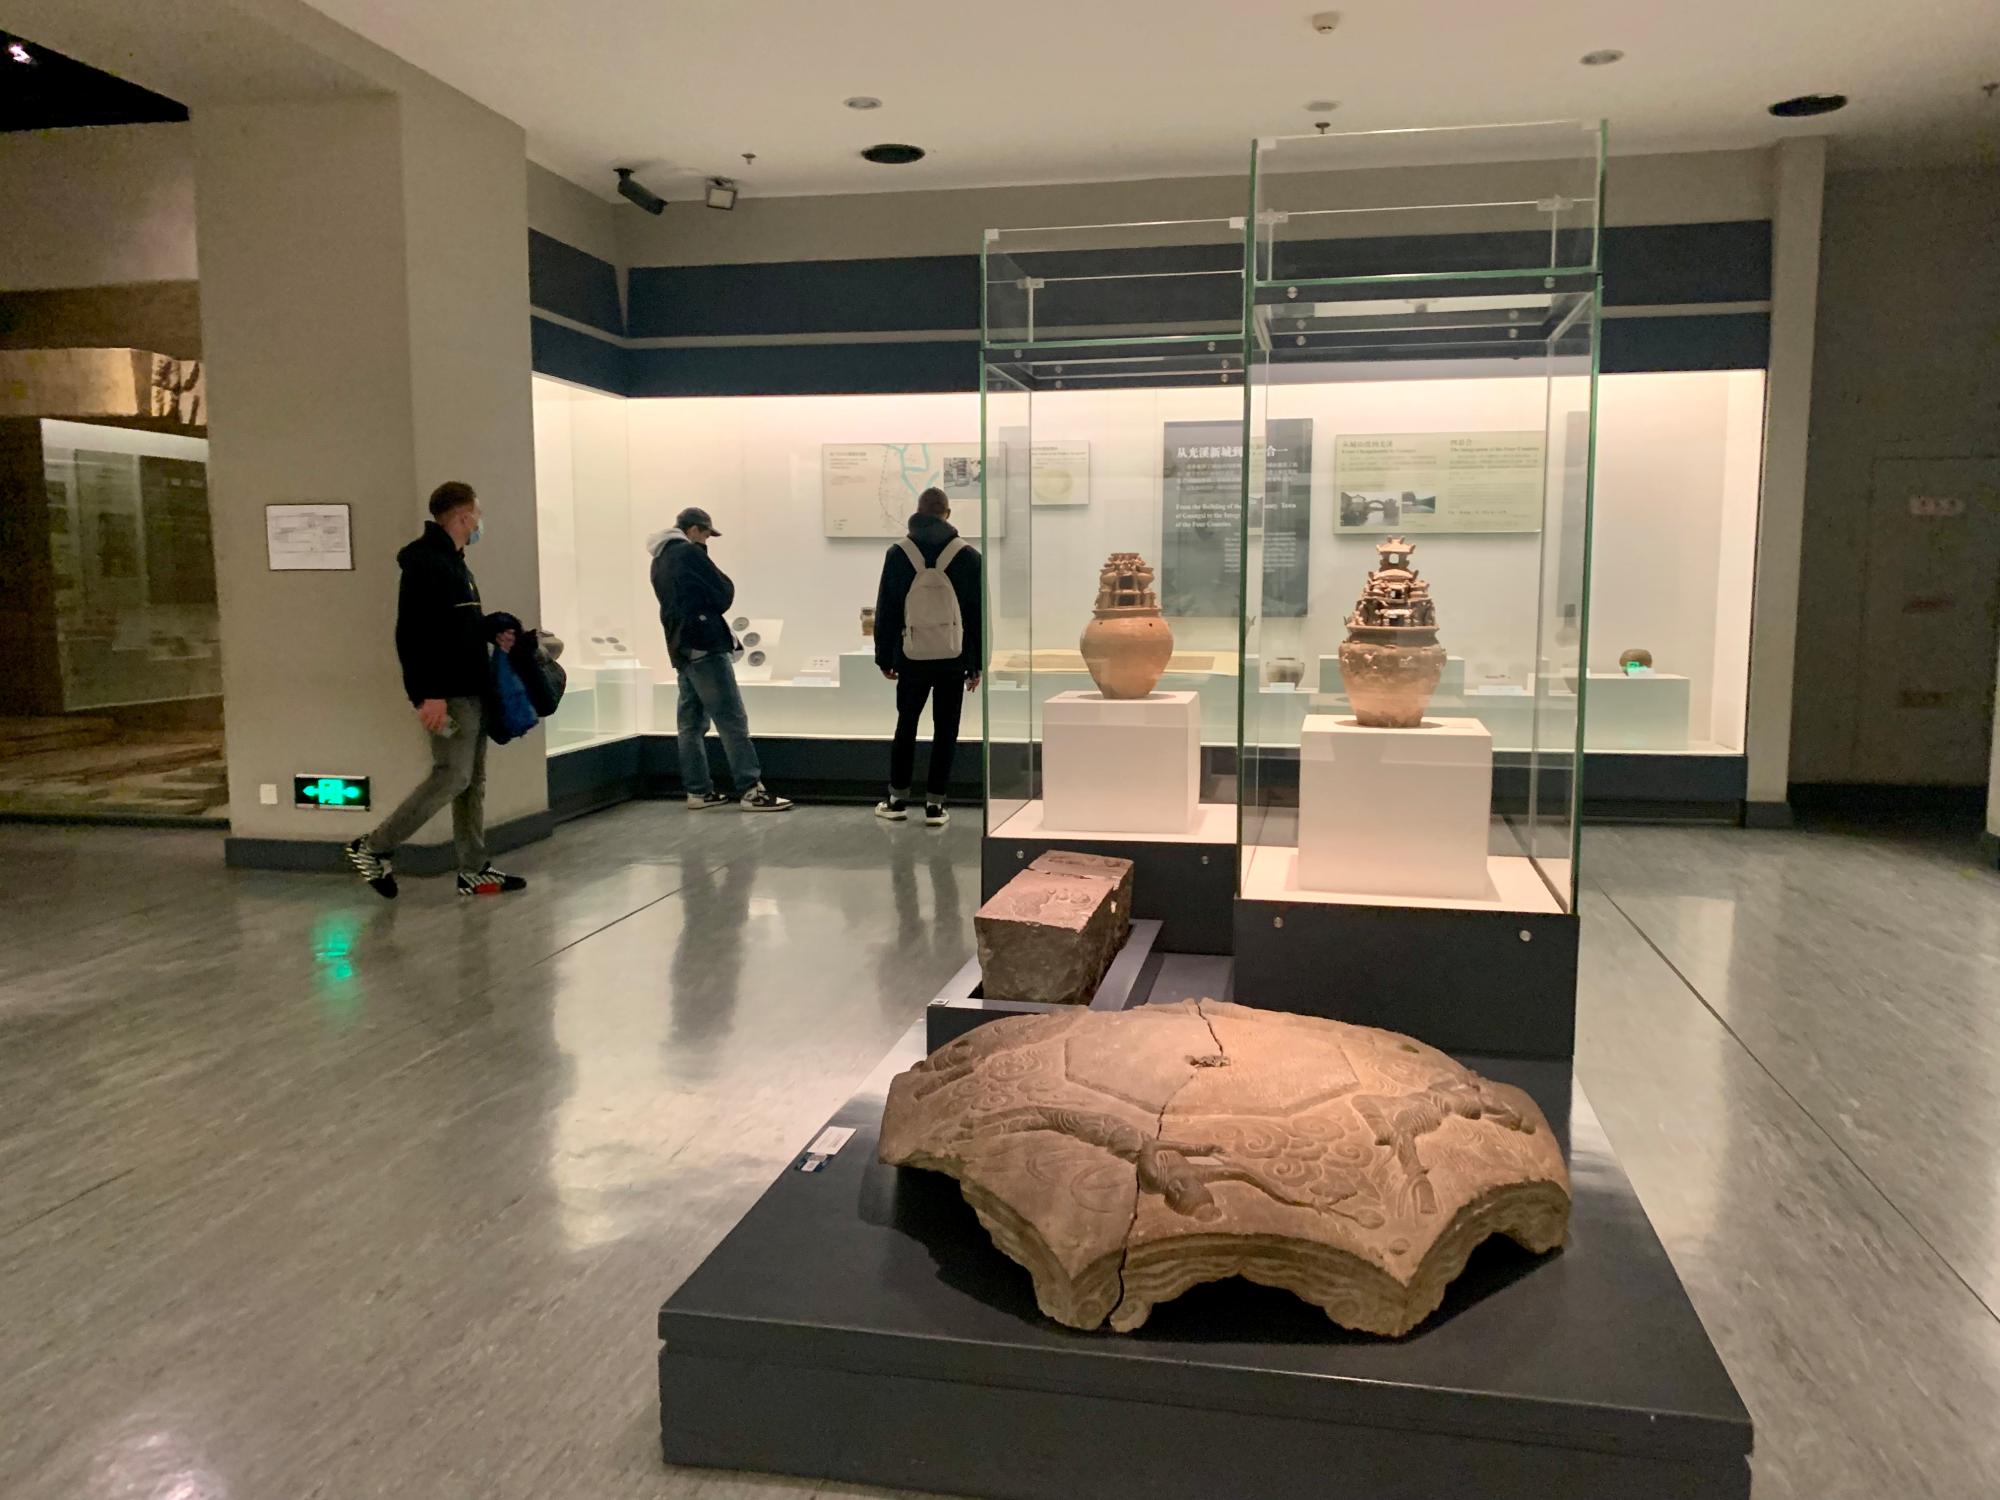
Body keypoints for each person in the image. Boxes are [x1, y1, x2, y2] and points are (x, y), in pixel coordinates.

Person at [344, 481, 528, 899]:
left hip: (472, 689)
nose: (480, 522)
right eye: (477, 514)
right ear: (462, 516)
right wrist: (427, 694)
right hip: (449, 693)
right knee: (453, 775)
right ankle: (373, 847)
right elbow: (413, 635)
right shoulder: (425, 564)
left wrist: (492, 628)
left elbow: (456, 627)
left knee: (472, 781)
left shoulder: (456, 565)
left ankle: (474, 869)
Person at [648, 506, 792, 812]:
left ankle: (698, 791)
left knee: (691, 723)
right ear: (694, 530)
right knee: (731, 719)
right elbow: (723, 591)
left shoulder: (659, 559)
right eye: (706, 535)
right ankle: (751, 790)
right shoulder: (689, 553)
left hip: (681, 647)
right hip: (705, 644)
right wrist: (701, 554)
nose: (707, 542)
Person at [873, 486, 981, 827]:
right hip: (953, 657)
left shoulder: (898, 553)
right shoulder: (967, 555)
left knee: (906, 726)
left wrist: (884, 656)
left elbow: (887, 608)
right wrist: (975, 664)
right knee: (946, 730)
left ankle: (897, 799)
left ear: (917, 512)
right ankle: (935, 805)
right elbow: (975, 615)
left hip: (911, 656)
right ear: (947, 514)